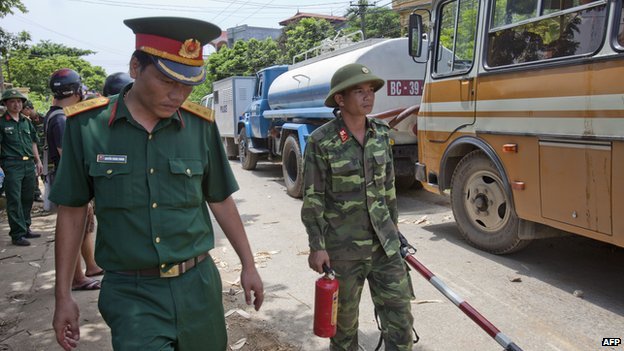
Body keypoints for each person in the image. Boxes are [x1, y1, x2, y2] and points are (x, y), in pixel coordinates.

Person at [51, 17, 264, 351]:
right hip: (131, 294)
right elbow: (72, 211)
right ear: (136, 67)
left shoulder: (199, 126)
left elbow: (220, 200)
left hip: (199, 288)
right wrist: (62, 295)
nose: (178, 94)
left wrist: (248, 264)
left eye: (189, 84)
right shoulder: (88, 127)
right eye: (167, 81)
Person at [301, 63, 414, 351]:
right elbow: (313, 198)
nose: (368, 97)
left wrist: (395, 231)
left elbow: (388, 189)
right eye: (359, 91)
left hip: (385, 246)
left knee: (400, 322)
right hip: (343, 251)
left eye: (371, 91)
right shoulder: (321, 141)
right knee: (344, 330)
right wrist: (317, 245)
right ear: (340, 100)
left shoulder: (380, 133)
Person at [45, 68, 104, 291]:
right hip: (68, 182)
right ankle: (76, 277)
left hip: (61, 179)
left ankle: (87, 269)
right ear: (77, 90)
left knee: (83, 228)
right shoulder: (61, 119)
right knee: (76, 228)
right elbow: (67, 154)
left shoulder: (54, 115)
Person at [0, 89, 43, 246]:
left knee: (27, 197)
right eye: (12, 101)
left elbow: (33, 142)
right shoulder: (2, 123)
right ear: (5, 104)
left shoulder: (27, 122)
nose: (16, 104)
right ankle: (17, 234)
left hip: (28, 163)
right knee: (14, 199)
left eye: (19, 101)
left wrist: (38, 161)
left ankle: (25, 228)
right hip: (11, 164)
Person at [21, 100, 44, 202]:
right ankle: (35, 193)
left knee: (44, 174)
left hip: (44, 151)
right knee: (34, 174)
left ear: (27, 109)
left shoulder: (44, 118)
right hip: (32, 152)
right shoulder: (26, 121)